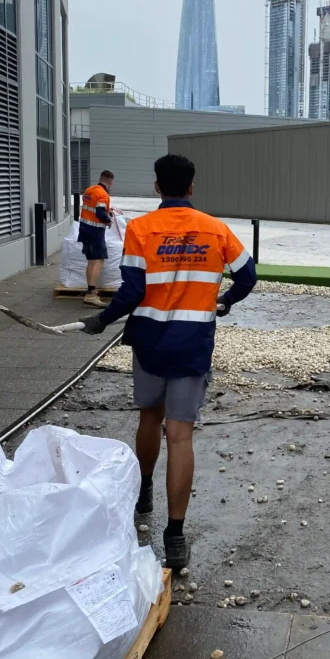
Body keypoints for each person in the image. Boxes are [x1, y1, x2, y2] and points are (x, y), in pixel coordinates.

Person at [80, 154, 257, 569]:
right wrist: (225, 301)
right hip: (192, 345)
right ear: (191, 188)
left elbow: (132, 291)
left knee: (148, 418)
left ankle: (143, 491)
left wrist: (101, 320)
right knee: (180, 436)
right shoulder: (215, 230)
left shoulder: (141, 229)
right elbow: (247, 276)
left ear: (157, 187)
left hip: (150, 343)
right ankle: (174, 537)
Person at [78, 170, 115, 307]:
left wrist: (107, 209)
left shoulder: (90, 190)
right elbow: (99, 213)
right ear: (110, 181)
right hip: (95, 232)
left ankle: (90, 291)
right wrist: (108, 220)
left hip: (85, 229)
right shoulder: (103, 194)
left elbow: (93, 207)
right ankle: (91, 295)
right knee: (98, 261)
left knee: (91, 261)